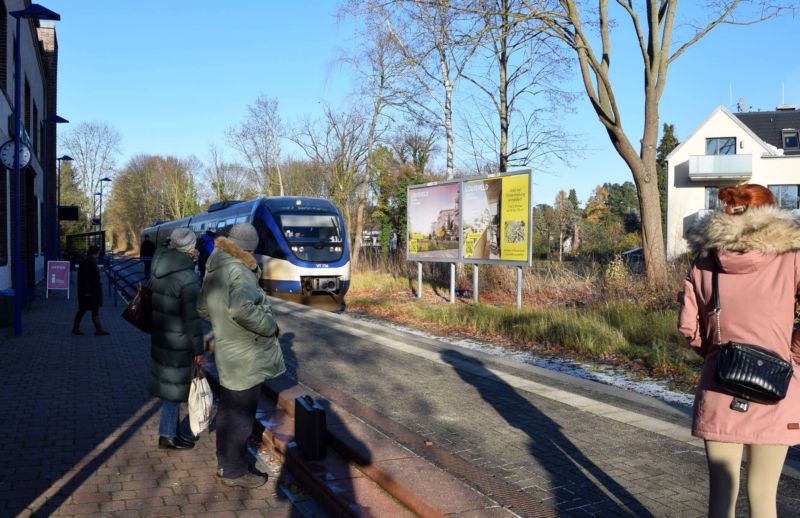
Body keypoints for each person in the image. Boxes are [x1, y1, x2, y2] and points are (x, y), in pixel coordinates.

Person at [678, 183, 800, 518]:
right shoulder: (792, 258)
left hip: (720, 390)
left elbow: (689, 327)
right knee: (763, 497)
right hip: (778, 388)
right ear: (771, 214)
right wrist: (793, 356)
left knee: (720, 499)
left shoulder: (704, 262)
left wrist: (718, 356)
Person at [198, 223, 285, 489]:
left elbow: (203, 308)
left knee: (229, 411)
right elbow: (242, 310)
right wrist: (270, 326)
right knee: (240, 416)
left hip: (227, 350)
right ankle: (233, 471)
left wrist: (223, 324)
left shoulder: (216, 265)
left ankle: (226, 463)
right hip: (245, 353)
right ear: (250, 247)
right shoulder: (240, 270)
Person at [149, 228, 204, 450]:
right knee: (173, 389)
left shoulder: (158, 268)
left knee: (168, 387)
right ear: (190, 248)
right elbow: (192, 319)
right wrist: (199, 349)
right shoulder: (188, 277)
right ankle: (168, 436)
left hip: (161, 334)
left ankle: (169, 431)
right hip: (179, 341)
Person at [72, 245, 109, 336]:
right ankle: (76, 328)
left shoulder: (88, 261)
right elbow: (86, 278)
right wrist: (86, 291)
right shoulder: (88, 263)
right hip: (89, 291)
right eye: (98, 253)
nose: (98, 255)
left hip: (92, 290)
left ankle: (98, 329)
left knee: (92, 309)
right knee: (84, 309)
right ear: (95, 253)